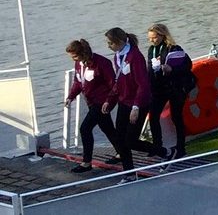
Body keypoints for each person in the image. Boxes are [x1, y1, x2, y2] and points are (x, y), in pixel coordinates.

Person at [104, 28, 168, 178]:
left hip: (138, 104)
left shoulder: (135, 56)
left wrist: (136, 107)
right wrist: (109, 100)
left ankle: (163, 151)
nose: (108, 46)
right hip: (123, 102)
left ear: (119, 42)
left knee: (130, 140)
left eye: (110, 43)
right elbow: (119, 81)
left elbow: (143, 85)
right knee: (120, 140)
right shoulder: (118, 56)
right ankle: (130, 173)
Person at [64, 39, 120, 173]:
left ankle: (86, 162)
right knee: (107, 128)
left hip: (102, 102)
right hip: (91, 102)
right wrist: (70, 97)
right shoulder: (79, 64)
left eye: (75, 56)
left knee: (85, 129)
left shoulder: (102, 63)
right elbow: (78, 82)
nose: (73, 60)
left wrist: (109, 100)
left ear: (83, 53)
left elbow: (113, 84)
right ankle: (122, 152)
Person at [146, 23, 193, 159]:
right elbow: (150, 70)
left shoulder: (174, 48)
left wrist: (171, 69)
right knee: (153, 116)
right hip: (159, 88)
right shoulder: (151, 50)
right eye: (150, 38)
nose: (151, 40)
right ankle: (157, 146)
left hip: (175, 87)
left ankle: (181, 147)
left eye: (154, 37)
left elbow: (187, 66)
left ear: (162, 35)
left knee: (176, 117)